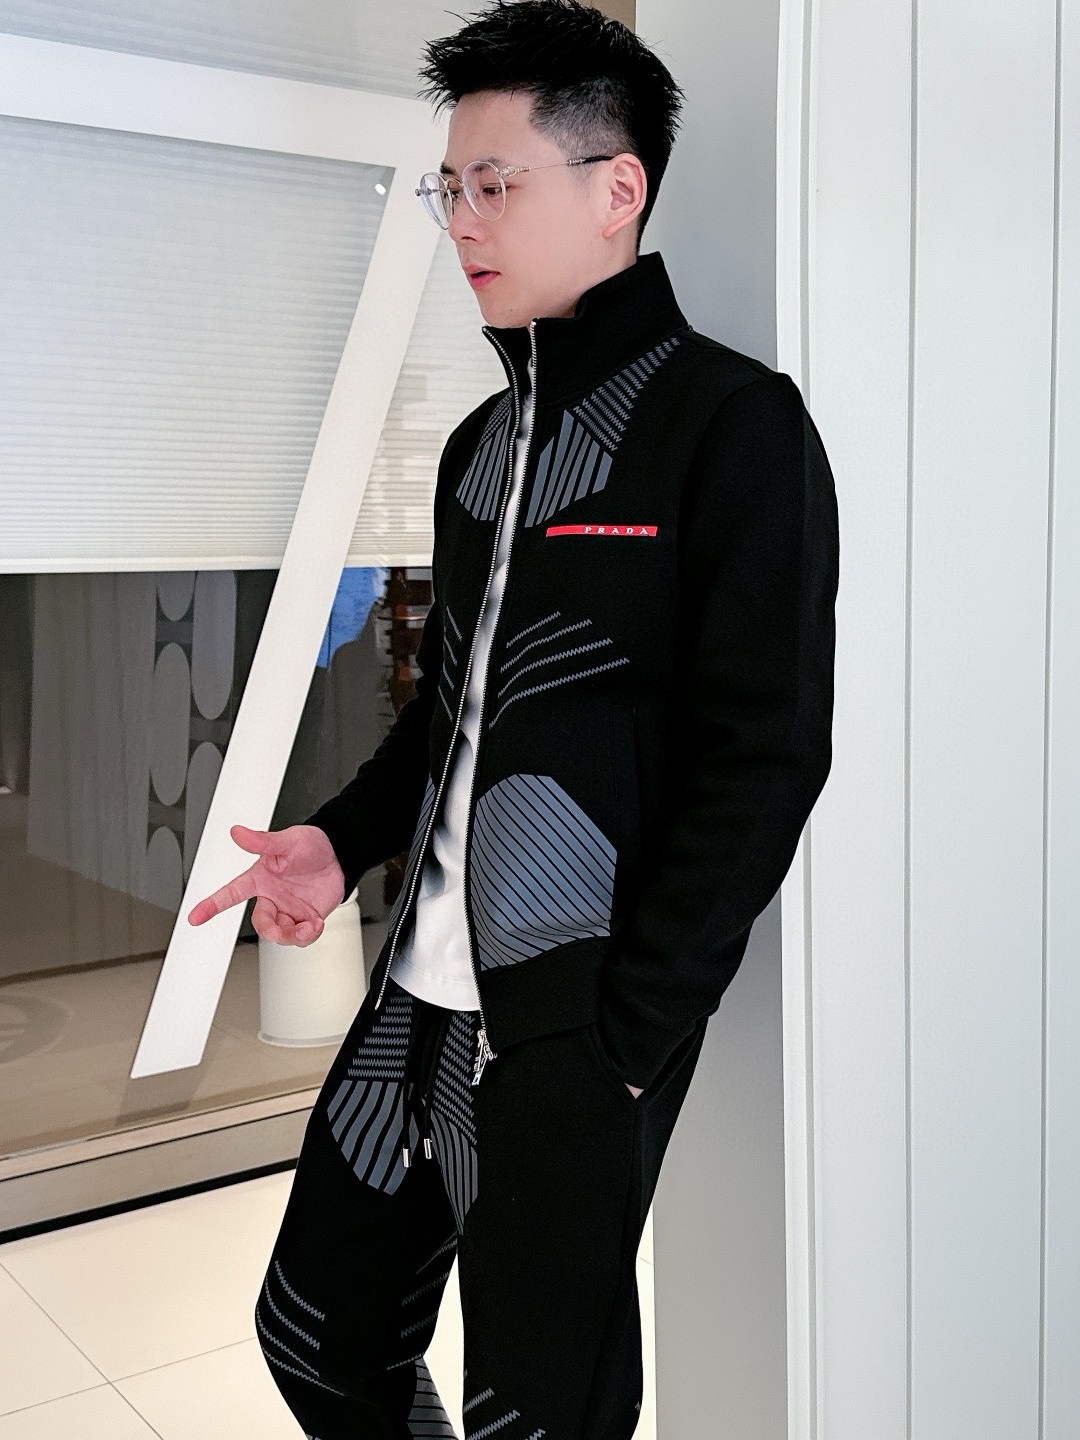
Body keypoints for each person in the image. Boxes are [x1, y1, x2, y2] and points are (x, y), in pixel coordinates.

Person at [188, 2, 839, 1435]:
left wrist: (631, 1034)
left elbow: (770, 753)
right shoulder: (482, 447)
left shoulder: (732, 427)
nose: (463, 222)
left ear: (618, 189)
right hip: (417, 996)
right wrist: (337, 843)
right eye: (451, 188)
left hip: (573, 1028)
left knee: (537, 1411)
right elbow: (452, 711)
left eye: (494, 183)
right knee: (315, 1337)